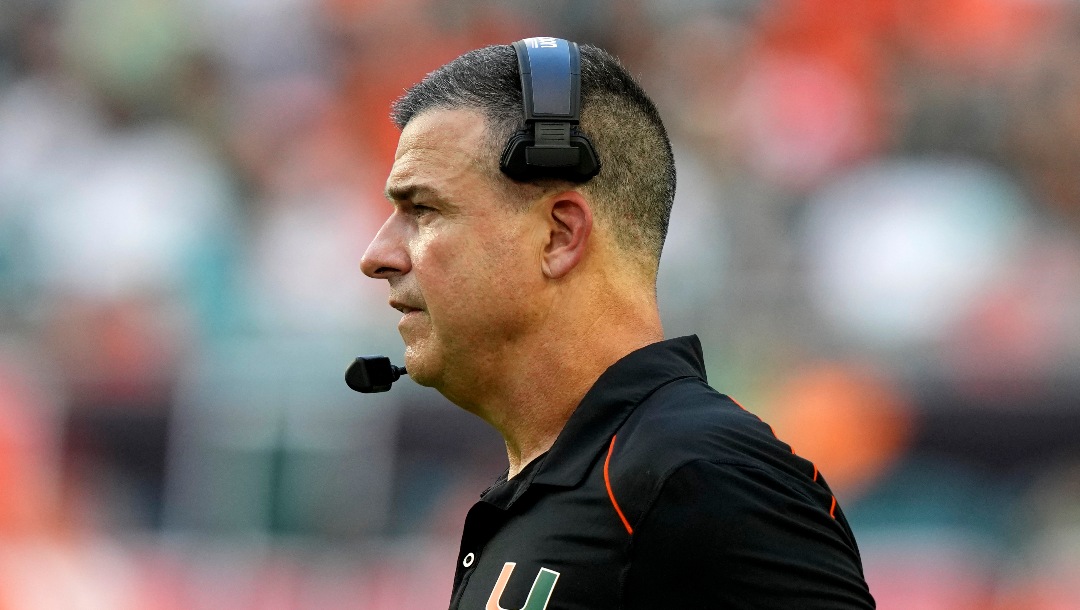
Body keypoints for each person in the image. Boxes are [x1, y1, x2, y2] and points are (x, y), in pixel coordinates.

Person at [360, 38, 875, 610]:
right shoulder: (579, 486)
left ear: (559, 235)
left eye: (422, 210)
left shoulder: (701, 474)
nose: (377, 255)